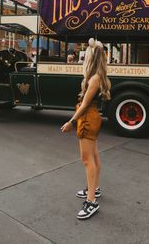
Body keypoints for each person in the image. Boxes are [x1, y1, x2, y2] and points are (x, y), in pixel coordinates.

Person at [61, 38, 111, 220]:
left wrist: (71, 122)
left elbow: (84, 105)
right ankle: (94, 190)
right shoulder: (98, 76)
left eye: (86, 55)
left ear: (92, 58)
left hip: (88, 118)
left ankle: (91, 202)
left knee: (87, 160)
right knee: (94, 157)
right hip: (92, 116)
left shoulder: (95, 78)